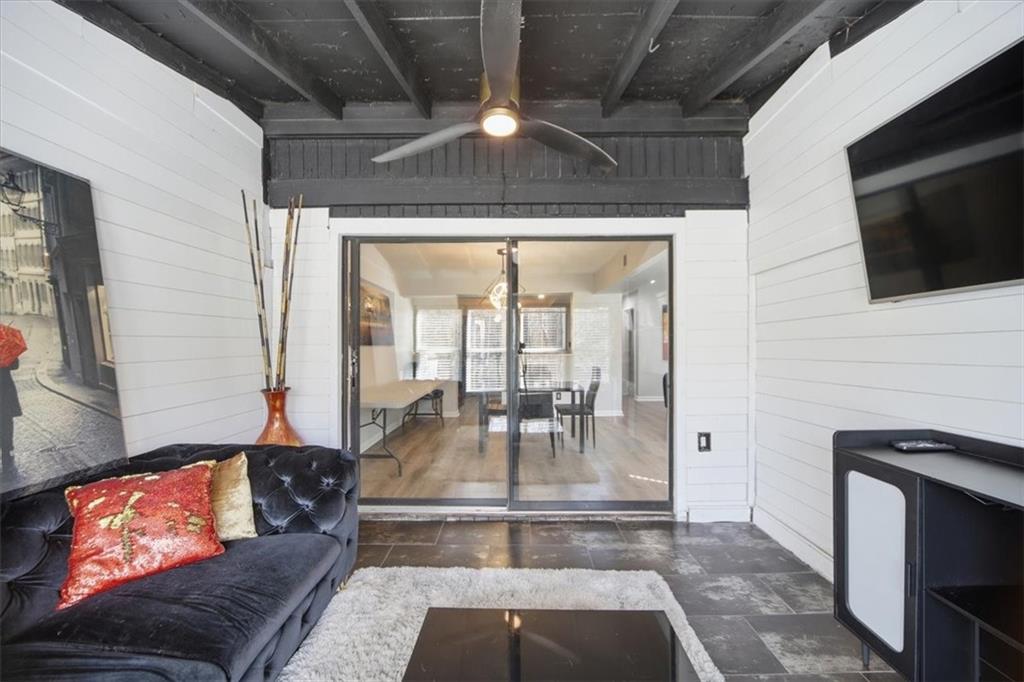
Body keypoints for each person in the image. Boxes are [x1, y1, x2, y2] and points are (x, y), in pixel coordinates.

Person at [1, 357, 20, 465]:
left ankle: (6, 447)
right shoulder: (6, 347)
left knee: (6, 419)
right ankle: (7, 447)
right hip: (5, 387)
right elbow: (15, 365)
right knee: (6, 420)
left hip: (5, 389)